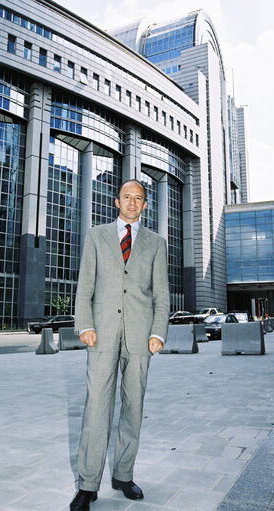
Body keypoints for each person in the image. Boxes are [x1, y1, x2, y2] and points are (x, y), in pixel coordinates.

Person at [70, 179, 170, 511]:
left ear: (145, 206)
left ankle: (123, 476)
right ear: (117, 202)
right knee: (96, 408)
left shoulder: (156, 243)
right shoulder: (96, 236)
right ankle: (87, 485)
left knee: (133, 409)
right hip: (101, 334)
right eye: (126, 197)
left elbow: (161, 294)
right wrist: (84, 323)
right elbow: (85, 286)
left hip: (141, 337)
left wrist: (158, 332)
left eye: (138, 198)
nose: (132, 202)